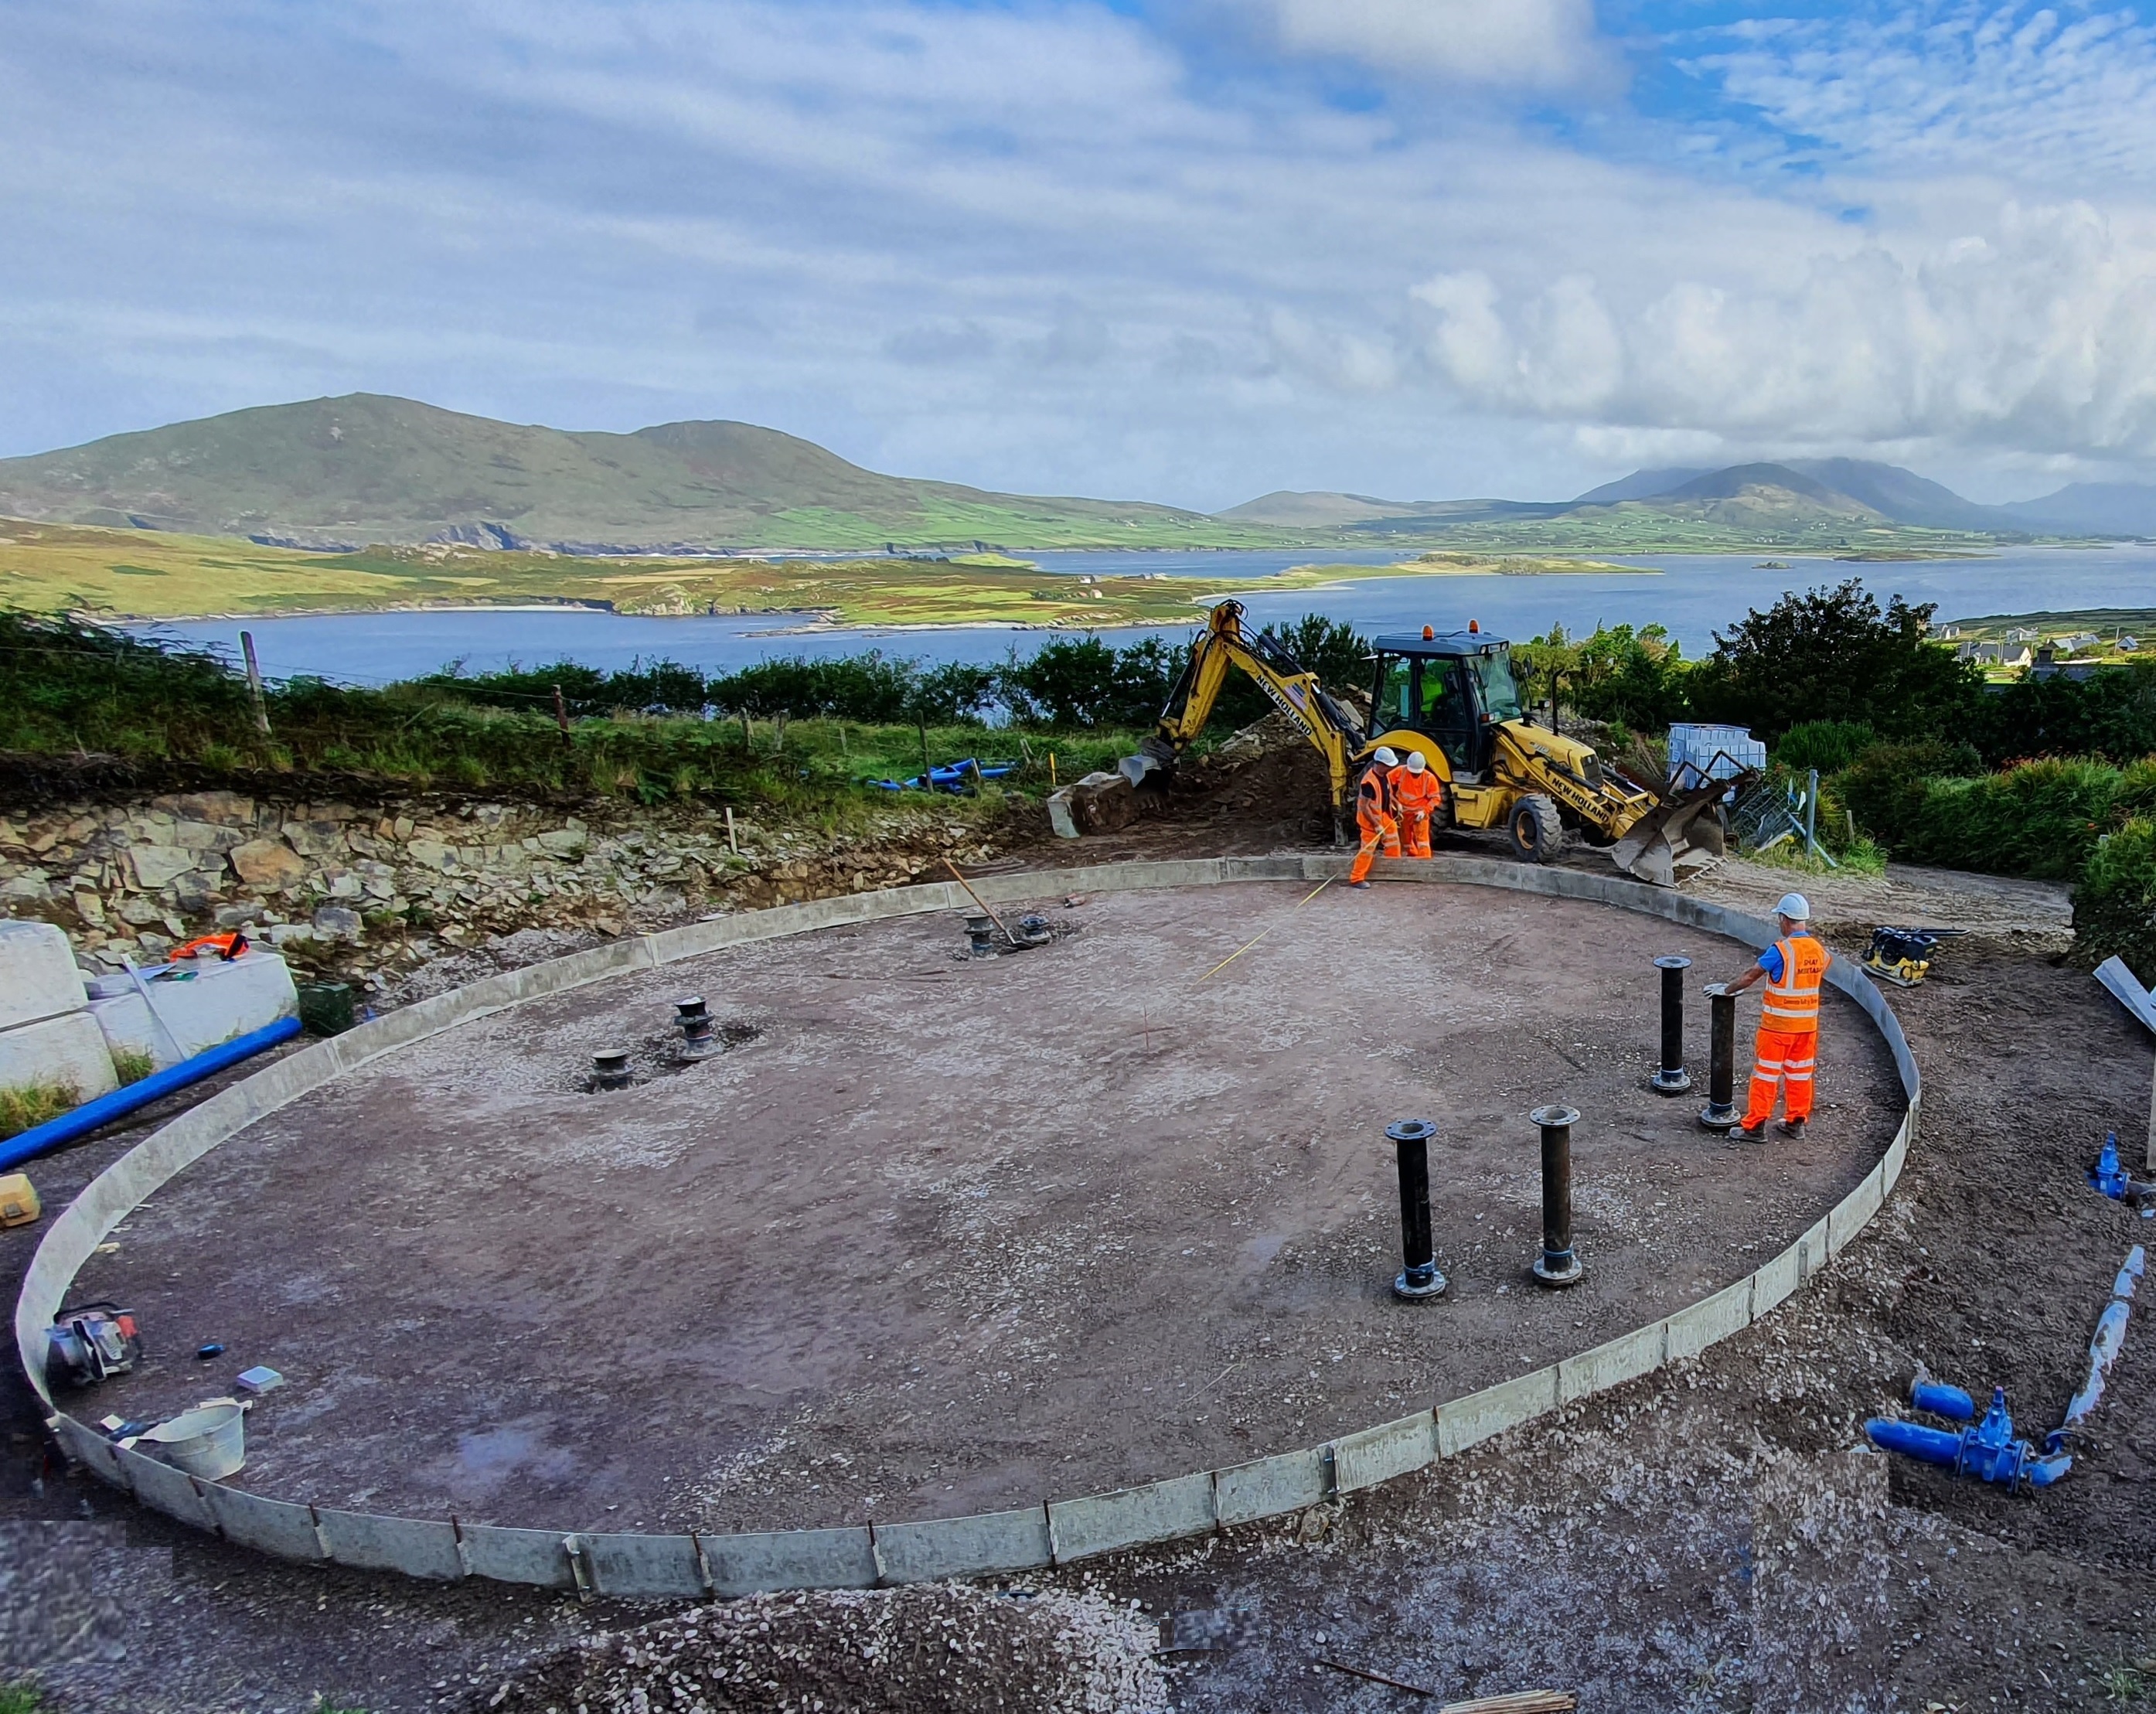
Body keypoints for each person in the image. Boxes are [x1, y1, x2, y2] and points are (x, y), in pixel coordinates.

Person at [1715, 892, 1827, 1143]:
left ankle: (1754, 1127)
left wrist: (1727, 989)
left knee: (1765, 1075)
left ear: (1784, 919)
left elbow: (1750, 975)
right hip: (1807, 1028)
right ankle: (1796, 1123)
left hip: (1778, 1028)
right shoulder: (1818, 951)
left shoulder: (1781, 950)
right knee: (1800, 1075)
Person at [1347, 746, 1401, 888]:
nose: (1391, 768)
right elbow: (1364, 807)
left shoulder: (1385, 776)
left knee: (1393, 842)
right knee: (1367, 850)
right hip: (1370, 821)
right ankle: (1357, 878)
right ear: (1380, 764)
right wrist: (1376, 825)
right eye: (1388, 766)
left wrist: (1396, 804)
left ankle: (1393, 871)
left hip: (1384, 816)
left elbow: (1387, 794)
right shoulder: (1368, 782)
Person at [1388, 749, 1442, 860]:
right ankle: (1411, 856)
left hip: (1420, 813)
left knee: (1423, 842)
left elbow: (1436, 798)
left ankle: (1425, 861)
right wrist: (1393, 800)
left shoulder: (1429, 778)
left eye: (1417, 773)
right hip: (1403, 813)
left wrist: (1425, 811)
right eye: (1413, 773)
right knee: (1406, 840)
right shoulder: (1400, 772)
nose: (1415, 775)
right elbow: (1385, 782)